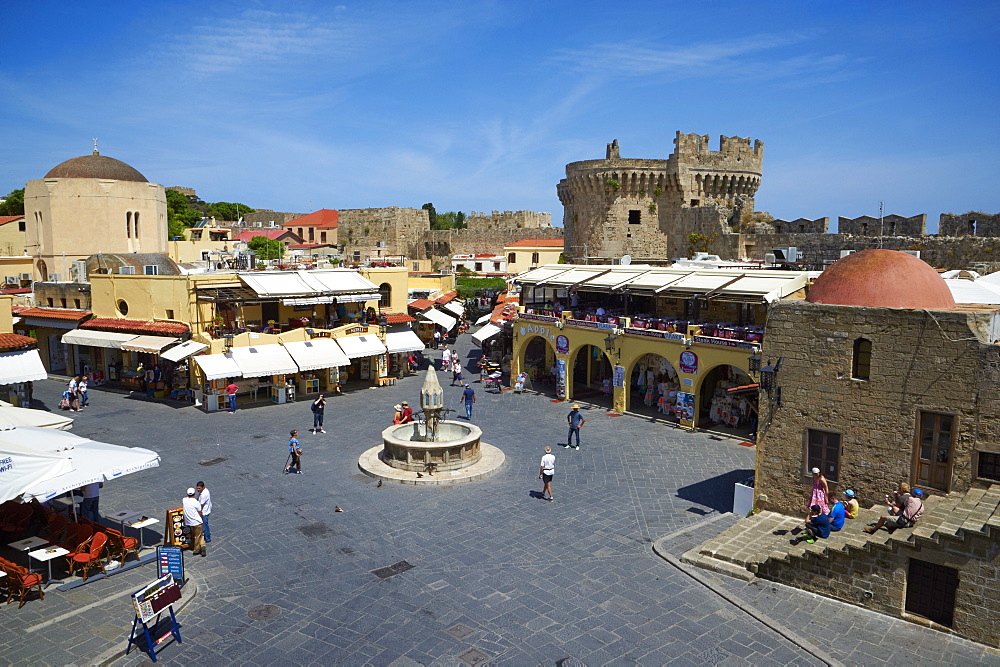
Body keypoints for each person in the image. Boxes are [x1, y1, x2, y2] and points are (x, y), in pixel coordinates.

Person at [183, 487, 206, 556]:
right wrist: (201, 519)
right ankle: (196, 550)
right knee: (197, 536)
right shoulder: (196, 502)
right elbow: (200, 512)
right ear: (194, 494)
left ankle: (203, 546)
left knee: (200, 535)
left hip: (189, 522)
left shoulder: (184, 500)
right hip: (197, 522)